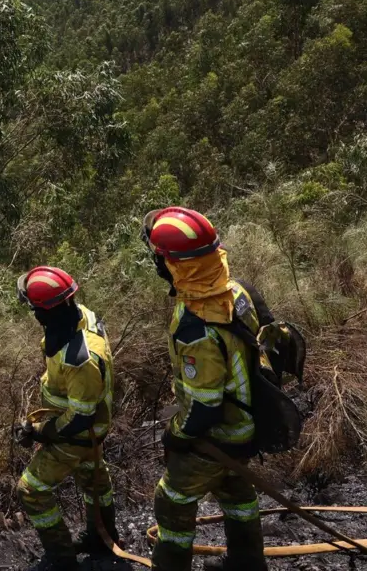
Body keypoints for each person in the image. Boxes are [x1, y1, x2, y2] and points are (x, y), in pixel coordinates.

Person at [143, 207, 267, 571]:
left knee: (172, 498)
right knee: (237, 493)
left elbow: (205, 407)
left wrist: (175, 435)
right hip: (248, 424)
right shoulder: (237, 289)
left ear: (175, 264)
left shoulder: (195, 325)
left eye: (160, 257)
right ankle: (248, 563)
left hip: (218, 435)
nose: (157, 263)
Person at [15, 265, 119, 571]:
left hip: (79, 432)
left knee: (31, 490)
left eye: (34, 308)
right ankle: (101, 540)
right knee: (94, 482)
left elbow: (80, 418)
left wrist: (41, 431)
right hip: (90, 428)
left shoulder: (80, 359)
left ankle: (61, 559)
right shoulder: (81, 315)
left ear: (43, 312)